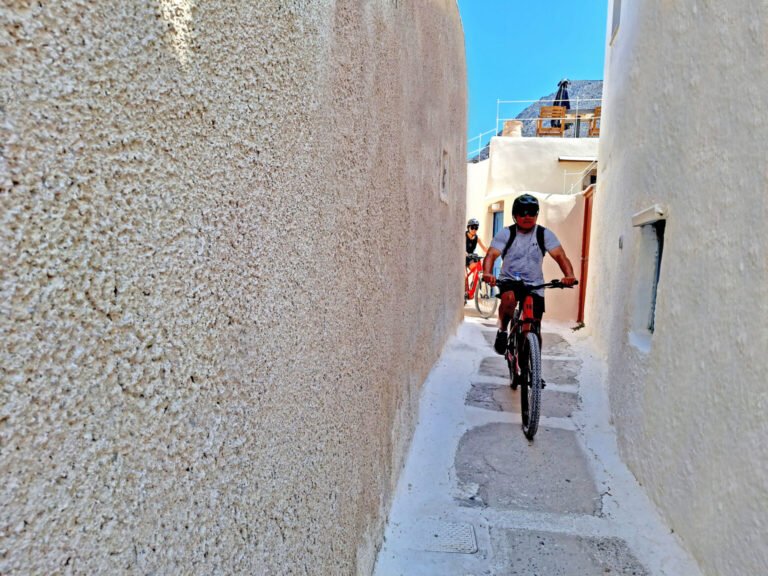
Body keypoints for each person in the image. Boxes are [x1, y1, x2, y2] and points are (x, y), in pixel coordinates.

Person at [482, 194, 577, 355]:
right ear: (515, 215)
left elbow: (560, 256)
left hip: (535, 284)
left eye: (532, 212)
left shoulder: (543, 234)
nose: (527, 216)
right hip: (510, 280)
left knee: (535, 327)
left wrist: (569, 275)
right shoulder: (507, 234)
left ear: (537, 214)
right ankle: (503, 330)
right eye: (523, 212)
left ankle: (533, 371)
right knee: (509, 299)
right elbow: (491, 255)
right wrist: (487, 273)